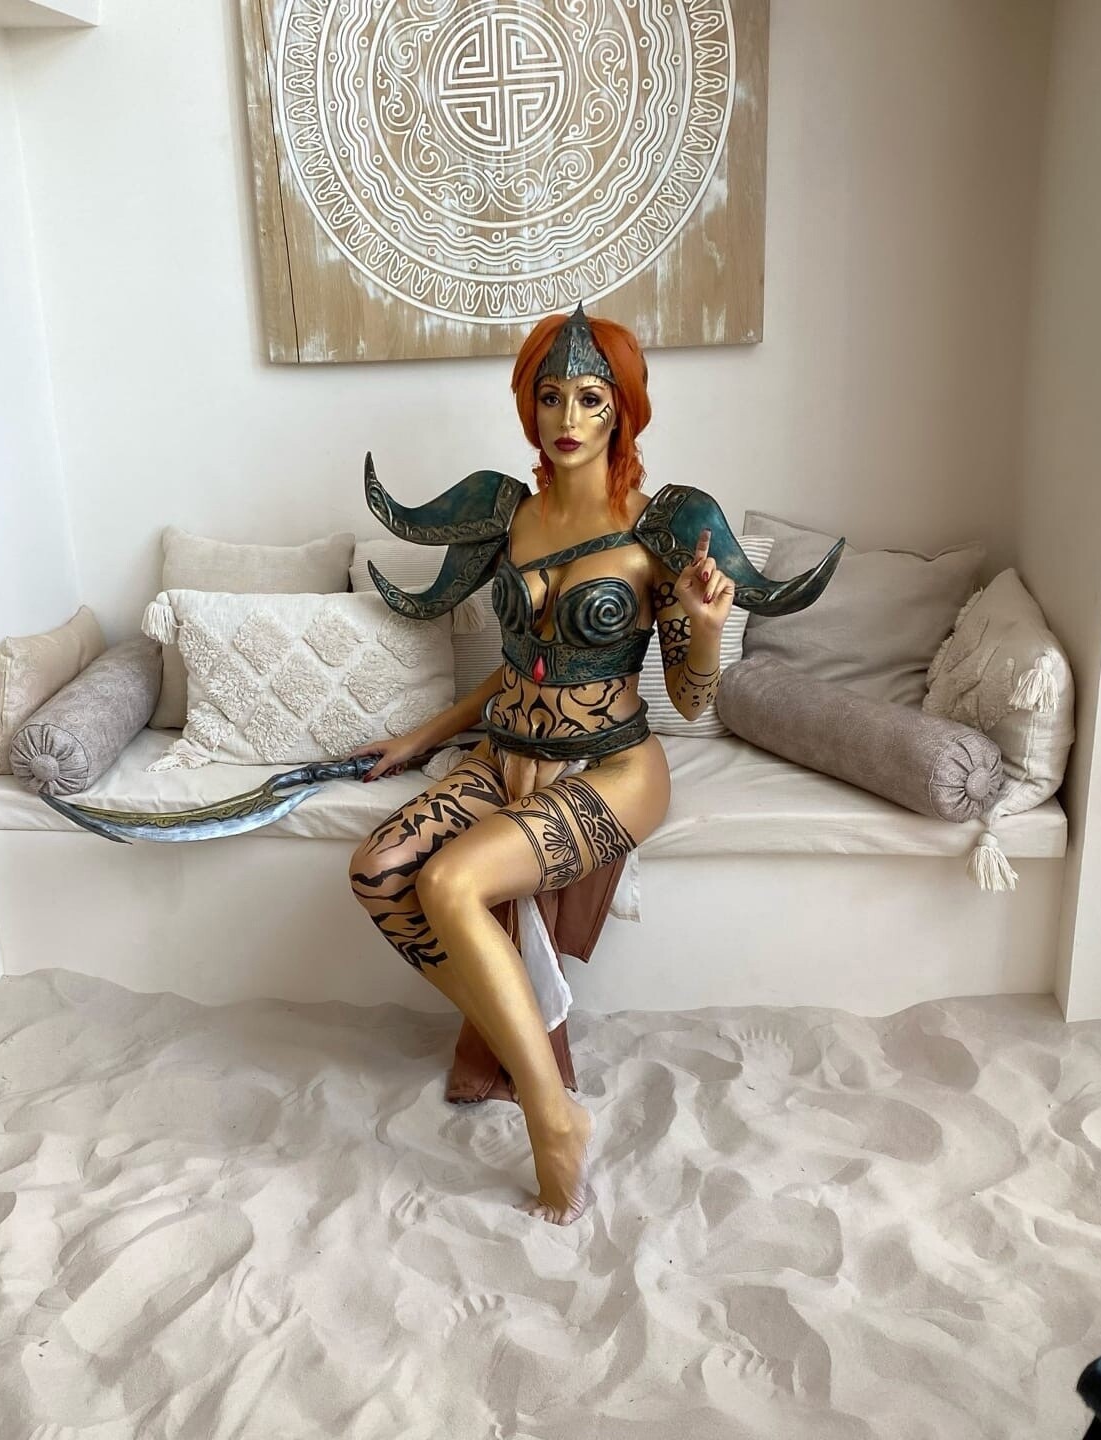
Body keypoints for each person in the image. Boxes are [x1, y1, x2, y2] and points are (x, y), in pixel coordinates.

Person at [346, 304, 841, 1225]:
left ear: (622, 412)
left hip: (611, 769)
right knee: (377, 871)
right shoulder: (510, 516)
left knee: (448, 883)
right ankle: (523, 1037)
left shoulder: (662, 531)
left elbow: (691, 700)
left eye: (589, 398)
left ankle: (551, 1118)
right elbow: (516, 666)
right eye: (549, 397)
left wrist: (706, 625)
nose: (566, 418)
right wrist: (423, 735)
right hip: (506, 753)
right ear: (527, 408)